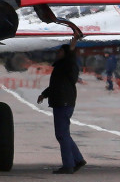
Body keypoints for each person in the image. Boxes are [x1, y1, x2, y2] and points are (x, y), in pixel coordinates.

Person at [37, 31, 87, 174]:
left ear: (65, 54)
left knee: (62, 134)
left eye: (60, 51)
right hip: (61, 101)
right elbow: (56, 85)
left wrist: (72, 46)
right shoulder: (61, 66)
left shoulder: (68, 65)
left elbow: (70, 60)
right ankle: (77, 159)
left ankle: (68, 165)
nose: (57, 53)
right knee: (63, 134)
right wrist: (44, 94)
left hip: (64, 102)